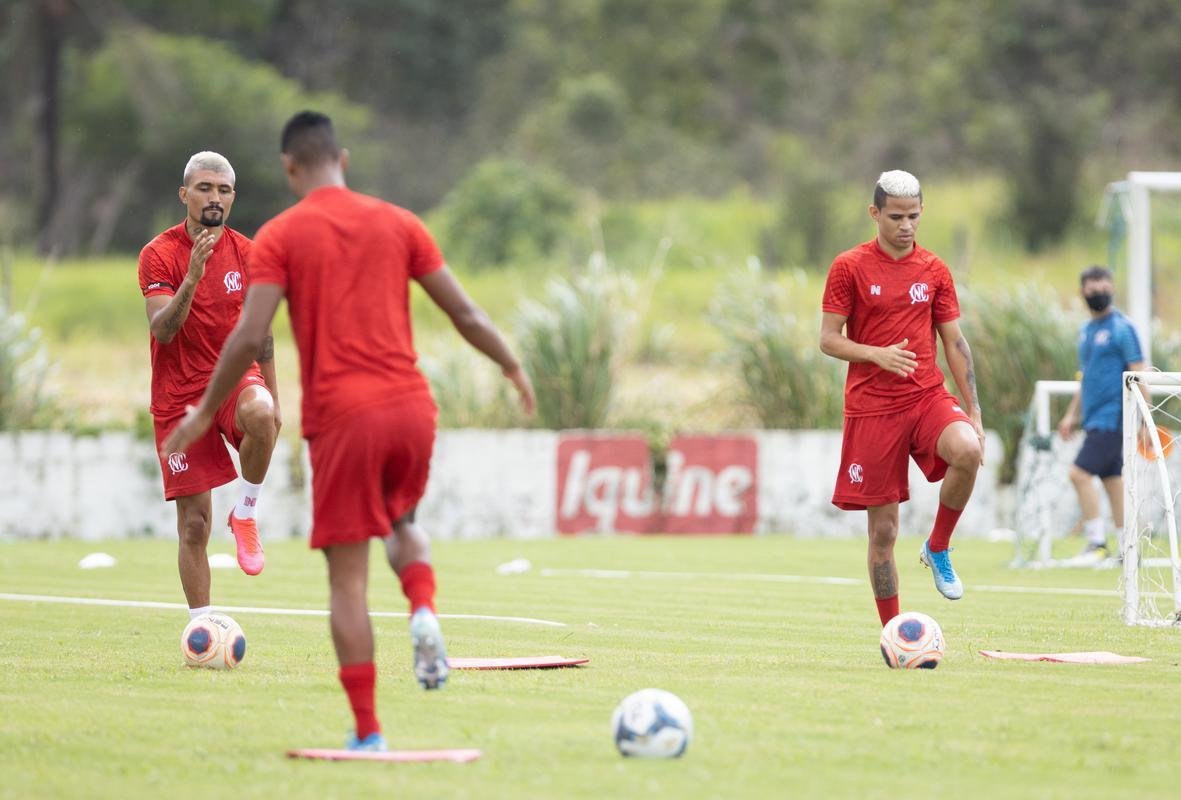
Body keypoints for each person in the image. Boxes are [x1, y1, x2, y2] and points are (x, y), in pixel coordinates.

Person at [162, 111, 536, 752]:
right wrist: (511, 364)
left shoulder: (280, 236)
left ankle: (368, 732)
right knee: (403, 524)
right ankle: (423, 609)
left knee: (347, 582)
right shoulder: (401, 221)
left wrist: (202, 412)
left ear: (289, 168)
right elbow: (465, 312)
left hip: (344, 417)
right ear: (344, 159)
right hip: (412, 408)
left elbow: (250, 335)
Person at [819, 170, 985, 627]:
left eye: (913, 216)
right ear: (875, 213)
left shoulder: (934, 270)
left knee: (968, 450)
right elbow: (828, 339)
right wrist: (875, 354)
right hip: (872, 408)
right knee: (884, 533)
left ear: (922, 212)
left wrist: (974, 410)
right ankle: (894, 632)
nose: (906, 225)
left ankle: (938, 546)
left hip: (925, 396)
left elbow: (954, 342)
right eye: (895, 217)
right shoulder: (849, 267)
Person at [139, 151, 280, 622]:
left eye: (223, 190)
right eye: (204, 188)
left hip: (232, 380)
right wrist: (193, 278)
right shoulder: (159, 254)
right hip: (178, 395)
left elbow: (261, 333)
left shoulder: (250, 254)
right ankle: (202, 628)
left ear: (233, 197)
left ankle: (246, 512)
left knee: (261, 412)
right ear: (185, 194)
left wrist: (275, 397)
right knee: (195, 525)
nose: (214, 197)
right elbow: (163, 330)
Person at [1056, 265, 1147, 562]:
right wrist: (1072, 415)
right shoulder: (1086, 331)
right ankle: (1127, 548)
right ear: (1083, 292)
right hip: (1094, 418)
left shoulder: (1123, 328)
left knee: (1078, 474)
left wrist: (1145, 419)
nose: (1100, 293)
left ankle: (1097, 544)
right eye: (1093, 289)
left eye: (1104, 288)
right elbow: (1087, 377)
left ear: (1113, 288)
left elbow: (1139, 373)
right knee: (1111, 480)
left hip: (1114, 417)